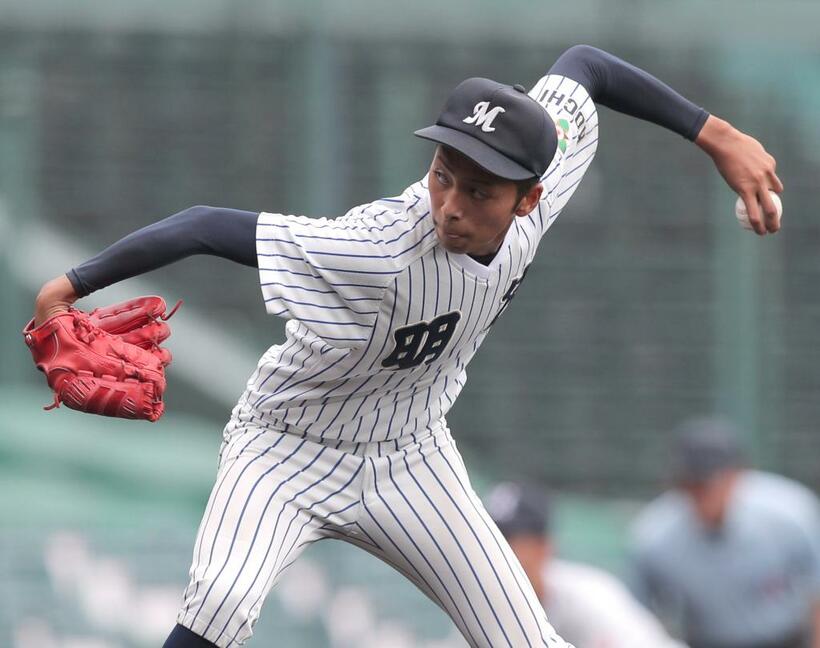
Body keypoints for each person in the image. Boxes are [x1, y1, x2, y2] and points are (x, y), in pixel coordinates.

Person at [30, 45, 782, 648]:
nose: (451, 205)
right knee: (221, 604)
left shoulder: (547, 174)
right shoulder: (377, 243)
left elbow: (588, 65)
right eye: (442, 175)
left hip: (410, 454)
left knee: (527, 639)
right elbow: (201, 223)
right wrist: (71, 283)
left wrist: (716, 135)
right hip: (286, 449)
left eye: (479, 192)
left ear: (530, 196)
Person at [629, 417, 820, 648]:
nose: (698, 493)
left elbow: (816, 592)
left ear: (736, 476)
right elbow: (635, 617)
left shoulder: (789, 513)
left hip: (786, 640)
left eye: (706, 482)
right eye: (689, 483)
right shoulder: (655, 534)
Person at [485, 481, 688, 648]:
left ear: (544, 547)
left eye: (509, 540)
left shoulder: (589, 599)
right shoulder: (486, 606)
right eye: (489, 539)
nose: (495, 551)